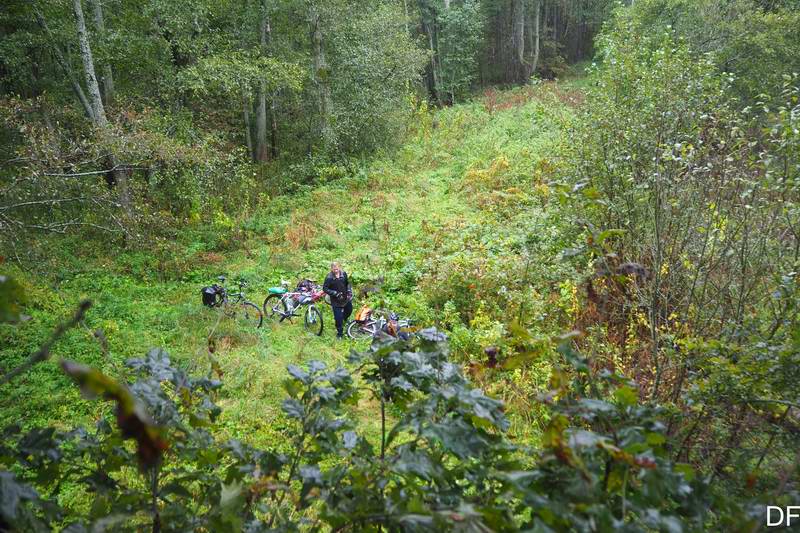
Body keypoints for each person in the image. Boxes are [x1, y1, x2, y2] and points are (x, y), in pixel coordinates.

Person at [323, 261, 352, 338]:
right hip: (336, 300)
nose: (336, 270)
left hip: (345, 298)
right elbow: (325, 289)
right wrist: (335, 293)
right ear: (331, 269)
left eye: (337, 269)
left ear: (339, 268)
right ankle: (340, 333)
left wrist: (349, 291)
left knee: (349, 310)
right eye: (334, 269)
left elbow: (347, 283)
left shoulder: (343, 274)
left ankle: (344, 318)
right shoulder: (329, 278)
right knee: (338, 318)